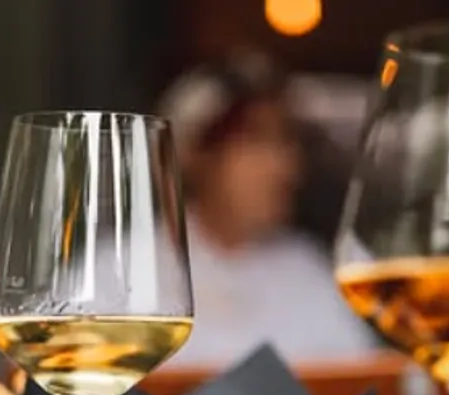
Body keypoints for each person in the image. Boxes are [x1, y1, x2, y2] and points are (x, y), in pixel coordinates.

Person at [155, 49, 379, 365]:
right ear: (196, 155)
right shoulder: (116, 275)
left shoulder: (307, 269)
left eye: (287, 142)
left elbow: (363, 385)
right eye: (256, 141)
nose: (285, 166)